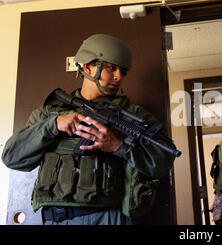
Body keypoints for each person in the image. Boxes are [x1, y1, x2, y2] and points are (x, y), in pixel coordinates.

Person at [1, 34, 176, 225]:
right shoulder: (48, 114)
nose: (118, 76)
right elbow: (11, 157)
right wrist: (53, 125)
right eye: (111, 68)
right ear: (87, 67)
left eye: (123, 71)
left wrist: (119, 146)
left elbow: (164, 159)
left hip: (108, 216)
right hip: (56, 218)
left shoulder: (132, 116)